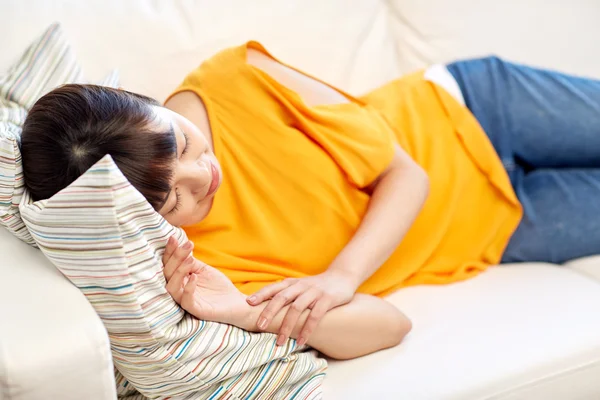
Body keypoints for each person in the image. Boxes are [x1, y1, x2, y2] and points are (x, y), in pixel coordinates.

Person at [20, 41, 600, 356]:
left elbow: (408, 174)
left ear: (141, 99)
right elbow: (389, 326)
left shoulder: (233, 78)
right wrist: (241, 313)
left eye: (183, 143)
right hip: (501, 227)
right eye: (176, 200)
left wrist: (340, 276)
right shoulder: (204, 269)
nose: (207, 175)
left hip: (472, 106)